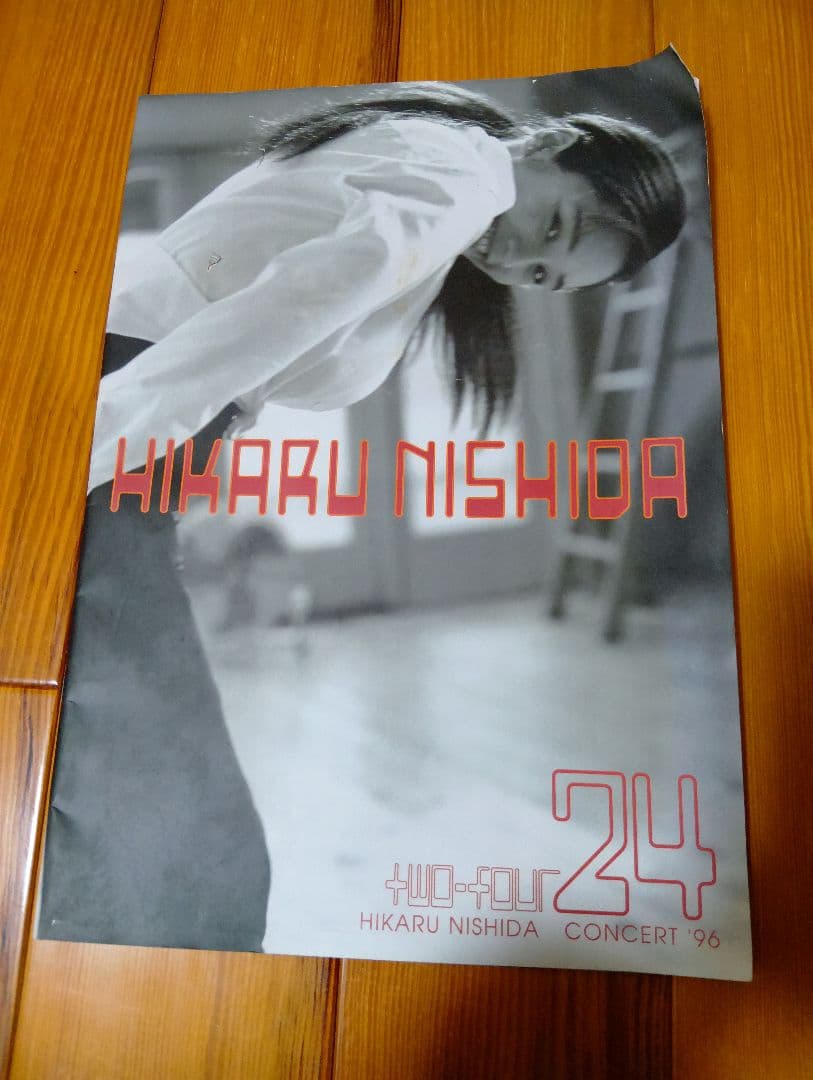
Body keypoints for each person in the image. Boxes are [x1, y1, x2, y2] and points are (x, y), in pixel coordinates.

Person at [39, 82, 686, 953]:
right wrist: (74, 455)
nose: (519, 259)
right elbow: (277, 314)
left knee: (135, 764)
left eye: (543, 274)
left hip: (142, 417)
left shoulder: (431, 161)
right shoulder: (462, 179)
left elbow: (261, 328)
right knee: (173, 802)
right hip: (129, 419)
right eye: (555, 225)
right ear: (546, 148)